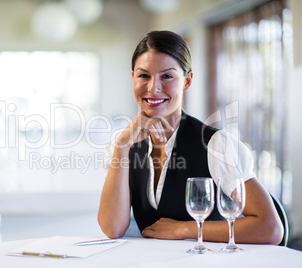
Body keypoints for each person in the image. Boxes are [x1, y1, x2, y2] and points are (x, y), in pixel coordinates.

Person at [97, 30, 284, 244]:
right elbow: (112, 228)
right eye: (143, 75)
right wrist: (122, 146)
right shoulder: (121, 146)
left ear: (187, 81)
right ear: (133, 79)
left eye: (167, 76)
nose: (153, 87)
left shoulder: (215, 145)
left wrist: (185, 229)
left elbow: (270, 228)